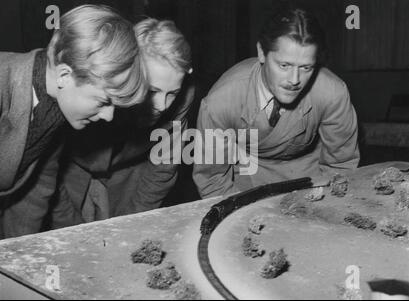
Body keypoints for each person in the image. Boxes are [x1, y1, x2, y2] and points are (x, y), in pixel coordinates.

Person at [0, 5, 147, 238]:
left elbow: (36, 191)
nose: (109, 117)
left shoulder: (58, 108)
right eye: (103, 101)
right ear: (65, 75)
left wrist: (19, 252)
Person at [193, 5, 360, 198]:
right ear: (262, 53)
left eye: (306, 67)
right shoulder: (220, 102)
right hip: (247, 178)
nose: (294, 79)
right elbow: (212, 180)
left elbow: (341, 166)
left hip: (311, 179)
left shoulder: (332, 93)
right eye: (284, 65)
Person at [49, 18, 194, 226]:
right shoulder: (90, 90)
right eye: (152, 91)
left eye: (172, 93)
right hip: (70, 174)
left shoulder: (182, 101)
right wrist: (69, 229)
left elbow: (161, 172)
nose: (162, 105)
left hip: (129, 177)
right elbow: (48, 177)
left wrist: (129, 226)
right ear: (126, 74)